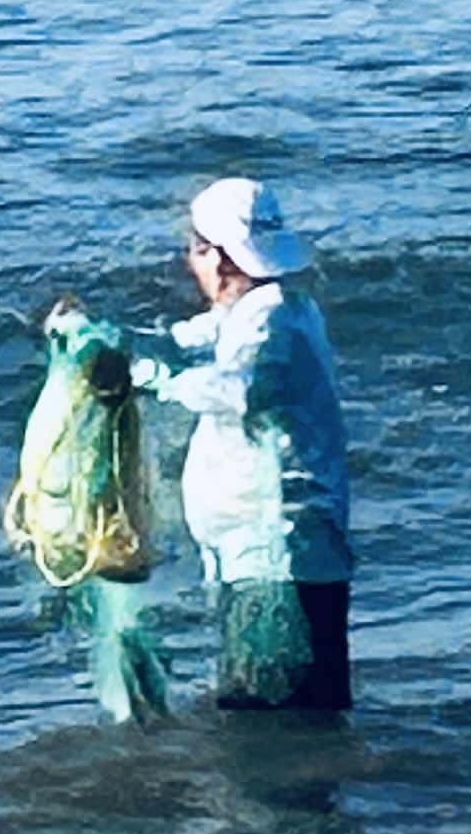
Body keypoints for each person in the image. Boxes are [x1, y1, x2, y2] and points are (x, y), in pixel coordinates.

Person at [47, 178, 355, 711]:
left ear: (221, 257)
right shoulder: (253, 313)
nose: (191, 263)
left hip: (279, 559)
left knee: (271, 718)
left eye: (195, 249)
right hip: (263, 558)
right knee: (287, 712)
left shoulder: (275, 321)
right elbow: (177, 343)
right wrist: (99, 335)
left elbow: (234, 389)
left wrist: (145, 375)